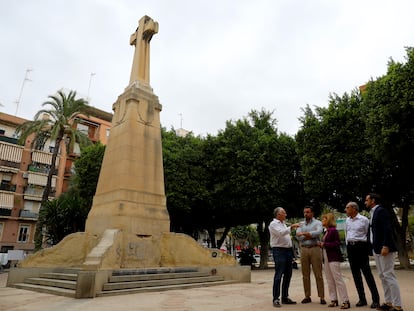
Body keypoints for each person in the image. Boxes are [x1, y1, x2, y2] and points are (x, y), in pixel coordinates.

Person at [366, 193, 404, 311]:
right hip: (377, 248)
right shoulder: (373, 213)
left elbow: (387, 228)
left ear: (373, 200)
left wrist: (386, 245)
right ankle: (388, 302)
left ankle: (398, 305)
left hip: (384, 248)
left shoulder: (381, 211)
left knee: (389, 275)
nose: (365, 202)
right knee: (383, 276)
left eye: (366, 200)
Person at [345, 201, 380, 308]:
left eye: (347, 207)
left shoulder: (364, 220)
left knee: (367, 274)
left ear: (354, 209)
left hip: (361, 247)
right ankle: (362, 298)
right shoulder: (347, 220)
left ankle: (375, 299)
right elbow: (347, 233)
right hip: (351, 248)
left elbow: (367, 234)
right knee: (356, 275)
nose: (345, 210)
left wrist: (367, 248)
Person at [269, 207, 301, 308]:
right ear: (278, 214)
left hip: (288, 251)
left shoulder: (283, 224)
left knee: (288, 274)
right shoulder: (273, 224)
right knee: (279, 274)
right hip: (279, 251)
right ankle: (276, 298)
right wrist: (291, 227)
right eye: (284, 213)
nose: (286, 214)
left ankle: (285, 296)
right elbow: (281, 233)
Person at [295, 206, 326, 305]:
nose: (305, 214)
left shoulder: (318, 223)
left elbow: (318, 233)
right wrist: (309, 235)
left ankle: (321, 296)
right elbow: (298, 236)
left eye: (307, 212)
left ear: (312, 213)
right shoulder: (301, 223)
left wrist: (304, 234)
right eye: (304, 212)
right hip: (303, 249)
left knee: (318, 274)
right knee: (305, 274)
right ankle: (307, 296)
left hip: (315, 249)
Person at [319, 212, 350, 309]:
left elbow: (337, 244)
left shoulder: (333, 231)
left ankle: (345, 300)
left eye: (324, 219)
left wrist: (324, 245)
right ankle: (334, 299)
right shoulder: (326, 231)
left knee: (338, 279)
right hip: (326, 256)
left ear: (328, 220)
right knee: (329, 279)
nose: (322, 221)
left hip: (333, 257)